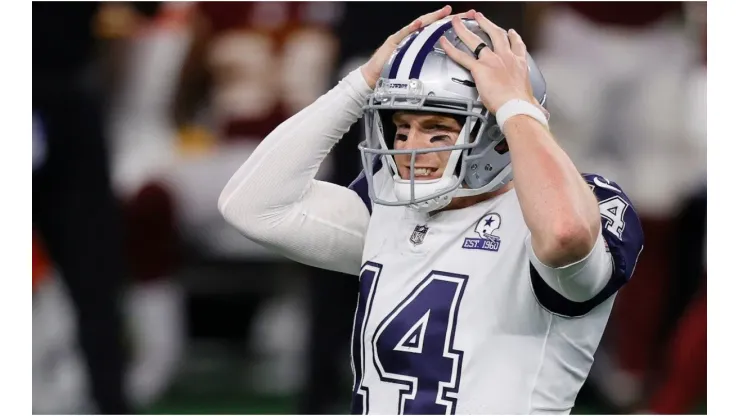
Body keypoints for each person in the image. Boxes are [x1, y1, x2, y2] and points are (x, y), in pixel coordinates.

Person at [219, 6, 644, 414]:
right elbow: (253, 206)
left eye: (437, 129)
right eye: (402, 127)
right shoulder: (393, 204)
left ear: (497, 133)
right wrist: (360, 84)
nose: (408, 148)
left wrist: (517, 105)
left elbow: (564, 235)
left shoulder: (588, 203)